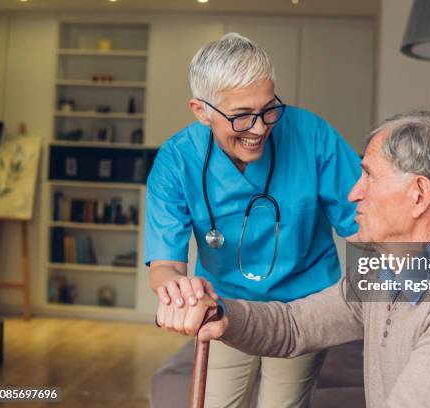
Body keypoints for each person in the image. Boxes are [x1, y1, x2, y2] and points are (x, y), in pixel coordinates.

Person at [166, 111, 430, 407]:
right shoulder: (386, 272)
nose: (352, 193)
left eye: (368, 176)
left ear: (418, 196)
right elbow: (296, 325)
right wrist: (220, 313)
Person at [146, 33, 360, 407]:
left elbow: (365, 223)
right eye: (241, 116)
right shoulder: (177, 160)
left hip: (302, 307)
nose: (260, 127)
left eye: (269, 109)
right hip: (226, 306)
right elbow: (165, 264)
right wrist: (177, 291)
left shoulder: (312, 136)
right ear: (201, 111)